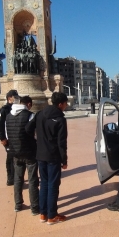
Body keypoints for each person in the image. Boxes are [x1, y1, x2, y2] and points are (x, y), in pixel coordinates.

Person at [26, 92, 68, 225]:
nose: (66, 106)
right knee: (53, 185)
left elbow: (27, 128)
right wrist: (64, 160)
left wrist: (37, 141)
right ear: (60, 104)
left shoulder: (39, 114)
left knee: (44, 184)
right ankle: (52, 215)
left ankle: (43, 214)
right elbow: (62, 143)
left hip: (40, 154)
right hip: (53, 156)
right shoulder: (60, 119)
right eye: (65, 104)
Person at [6, 96, 39, 214]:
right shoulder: (30, 115)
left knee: (18, 179)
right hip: (29, 152)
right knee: (32, 179)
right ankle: (35, 207)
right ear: (29, 104)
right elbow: (35, 134)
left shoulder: (8, 116)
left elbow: (7, 134)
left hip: (15, 152)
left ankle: (18, 204)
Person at [0, 89, 18, 186]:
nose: (17, 99)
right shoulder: (4, 110)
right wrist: (2, 138)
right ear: (9, 98)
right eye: (15, 97)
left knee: (16, 158)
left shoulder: (15, 109)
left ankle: (16, 177)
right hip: (8, 139)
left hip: (15, 138)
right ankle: (10, 178)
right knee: (10, 158)